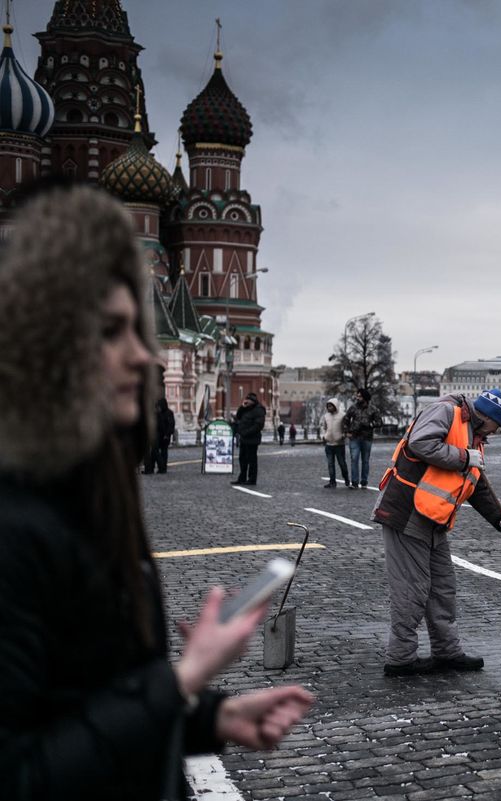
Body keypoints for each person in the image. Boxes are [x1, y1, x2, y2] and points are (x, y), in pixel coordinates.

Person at [0, 183, 313, 800]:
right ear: (48, 344)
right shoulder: (13, 525)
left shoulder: (87, 492)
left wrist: (208, 718)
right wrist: (185, 680)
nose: (143, 354)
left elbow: (89, 695)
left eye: (140, 329)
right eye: (113, 331)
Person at [372, 388, 501, 676]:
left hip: (434, 518)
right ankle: (400, 659)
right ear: (488, 417)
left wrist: (500, 518)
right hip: (406, 513)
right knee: (411, 590)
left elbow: (475, 484)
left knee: (442, 589)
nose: (497, 432)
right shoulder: (446, 412)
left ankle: (447, 652)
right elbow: (419, 443)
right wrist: (464, 457)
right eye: (497, 426)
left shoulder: (474, 435)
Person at [344, 387, 382, 488]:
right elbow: (346, 419)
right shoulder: (353, 408)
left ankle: (364, 481)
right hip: (354, 437)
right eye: (357, 395)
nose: (357, 398)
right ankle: (355, 482)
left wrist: (369, 424)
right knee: (354, 459)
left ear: (365, 398)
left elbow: (379, 422)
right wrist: (347, 432)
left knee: (365, 460)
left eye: (359, 396)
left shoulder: (373, 409)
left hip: (367, 438)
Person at [232, 392, 266, 486]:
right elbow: (238, 416)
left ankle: (252, 479)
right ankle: (242, 478)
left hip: (252, 439)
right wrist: (242, 407)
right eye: (246, 400)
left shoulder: (259, 410)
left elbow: (258, 425)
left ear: (253, 401)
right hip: (244, 438)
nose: (246, 401)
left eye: (248, 400)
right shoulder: (245, 408)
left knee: (252, 460)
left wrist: (246, 432)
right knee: (242, 459)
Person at [320, 398, 351, 488]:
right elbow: (323, 427)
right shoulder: (326, 416)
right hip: (329, 444)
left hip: (339, 444)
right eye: (328, 406)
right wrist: (323, 436)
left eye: (331, 406)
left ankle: (346, 479)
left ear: (335, 406)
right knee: (330, 464)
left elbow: (346, 427)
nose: (329, 408)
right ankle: (332, 482)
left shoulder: (342, 415)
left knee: (342, 463)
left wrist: (343, 436)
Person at [143, 397, 176, 474]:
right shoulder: (158, 413)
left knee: (163, 452)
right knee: (155, 452)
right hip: (158, 435)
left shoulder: (169, 413)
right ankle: (154, 468)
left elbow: (171, 425)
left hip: (165, 436)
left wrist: (167, 434)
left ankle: (162, 468)